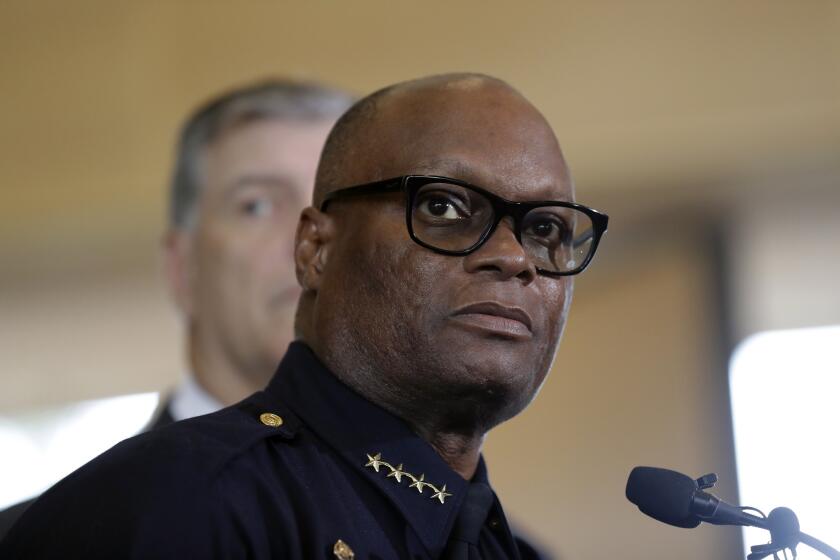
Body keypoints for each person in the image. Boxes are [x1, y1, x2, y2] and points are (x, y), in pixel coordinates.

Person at [0, 73, 608, 559]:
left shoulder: (508, 548)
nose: (513, 257)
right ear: (316, 249)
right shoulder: (160, 505)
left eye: (546, 227)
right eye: (444, 206)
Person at [0, 79, 354, 539]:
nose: (310, 238)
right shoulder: (45, 539)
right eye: (258, 205)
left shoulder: (457, 531)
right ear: (181, 269)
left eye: (337, 206)